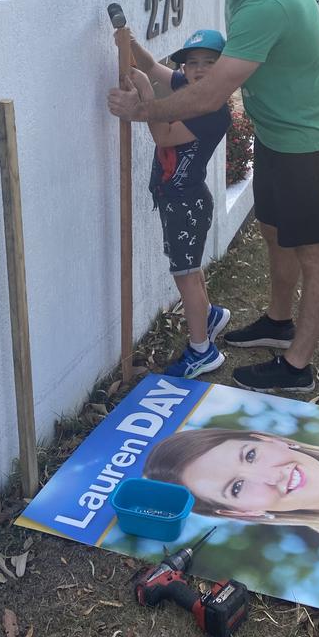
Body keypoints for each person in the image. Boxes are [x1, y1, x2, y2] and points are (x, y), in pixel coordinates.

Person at [108, 0, 319, 394]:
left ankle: (297, 367)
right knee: (274, 232)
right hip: (276, 137)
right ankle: (279, 324)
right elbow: (195, 77)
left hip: (311, 144)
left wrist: (143, 110)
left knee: (316, 253)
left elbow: (210, 92)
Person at [143, 425, 319, 620]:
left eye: (250, 455)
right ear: (242, 514)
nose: (271, 476)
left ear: (268, 439)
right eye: (237, 487)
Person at [118, 28, 232, 378]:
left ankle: (202, 351)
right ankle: (210, 315)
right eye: (193, 63)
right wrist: (131, 42)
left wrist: (146, 97)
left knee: (184, 276)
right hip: (177, 200)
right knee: (190, 270)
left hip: (187, 204)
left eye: (209, 63)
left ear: (225, 69)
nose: (198, 70)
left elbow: (164, 134)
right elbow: (153, 66)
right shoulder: (187, 88)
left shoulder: (214, 113)